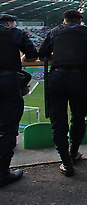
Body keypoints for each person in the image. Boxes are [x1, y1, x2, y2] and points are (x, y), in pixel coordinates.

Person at [38, 10, 87, 176]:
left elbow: (42, 53)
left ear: (64, 21)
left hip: (57, 77)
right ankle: (73, 152)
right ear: (80, 21)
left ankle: (66, 162)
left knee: (58, 121)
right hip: (79, 78)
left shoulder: (54, 32)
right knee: (78, 118)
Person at [0, 14, 37, 187]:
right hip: (7, 82)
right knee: (8, 128)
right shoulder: (13, 33)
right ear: (8, 23)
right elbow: (32, 54)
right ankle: (2, 173)